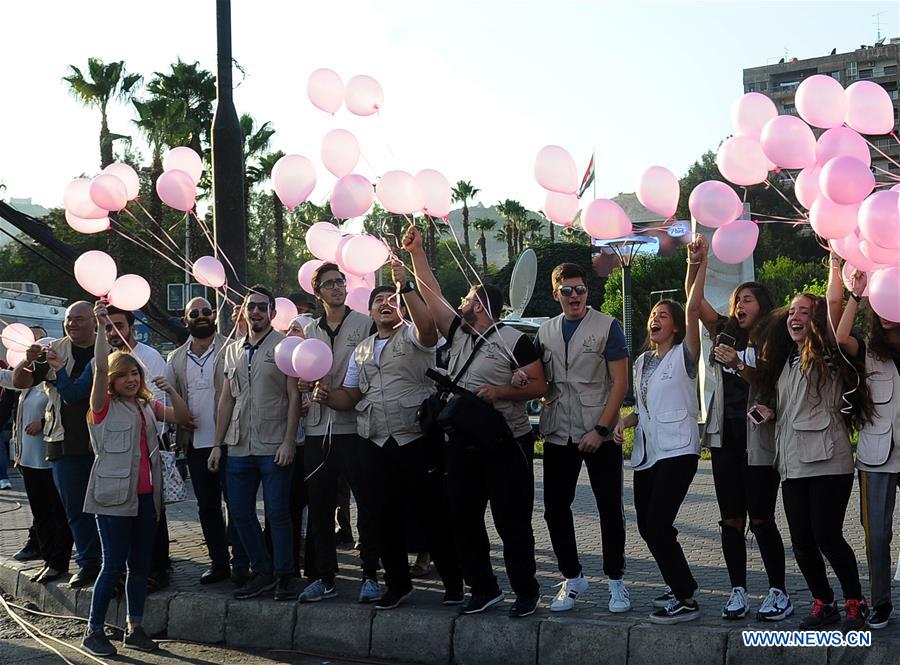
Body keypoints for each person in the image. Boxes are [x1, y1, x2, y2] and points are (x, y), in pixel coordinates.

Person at [404, 225, 547, 618]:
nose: (461, 304)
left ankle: (526, 591)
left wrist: (502, 392)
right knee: (462, 519)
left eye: (466, 299)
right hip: (462, 447)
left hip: (505, 445)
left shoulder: (514, 339)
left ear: (480, 306)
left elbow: (539, 385)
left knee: (512, 523)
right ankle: (483, 588)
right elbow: (432, 296)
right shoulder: (460, 334)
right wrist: (417, 254)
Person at [313, 261, 463, 611]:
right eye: (378, 300)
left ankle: (454, 584)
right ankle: (398, 584)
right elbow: (350, 396)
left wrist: (406, 286)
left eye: (390, 299)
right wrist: (325, 395)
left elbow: (428, 327)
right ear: (369, 312)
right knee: (383, 515)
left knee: (432, 513)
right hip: (376, 442)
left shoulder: (412, 334)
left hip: (415, 439)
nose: (385, 303)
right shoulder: (361, 349)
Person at [751, 288, 872, 632]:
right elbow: (794, 406)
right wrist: (769, 411)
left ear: (817, 320)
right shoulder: (787, 360)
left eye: (804, 312)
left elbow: (838, 328)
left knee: (827, 536)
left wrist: (853, 296)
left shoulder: (828, 353)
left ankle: (855, 602)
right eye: (791, 311)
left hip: (827, 460)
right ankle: (824, 603)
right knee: (802, 541)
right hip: (792, 462)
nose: (794, 317)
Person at [684, 235, 791, 622]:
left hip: (758, 441)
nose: (739, 304)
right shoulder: (726, 330)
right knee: (731, 518)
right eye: (736, 300)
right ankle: (738, 591)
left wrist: (739, 365)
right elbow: (693, 306)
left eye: (747, 299)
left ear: (762, 304)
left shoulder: (775, 337)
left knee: (761, 518)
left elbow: (771, 385)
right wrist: (697, 263)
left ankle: (779, 591)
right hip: (726, 437)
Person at [80, 299, 190, 657]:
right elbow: (98, 369)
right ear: (112, 380)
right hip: (112, 499)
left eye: (135, 375)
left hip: (147, 499)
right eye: (123, 375)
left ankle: (134, 627)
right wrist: (100, 328)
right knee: (112, 565)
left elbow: (184, 418)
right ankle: (93, 631)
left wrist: (170, 389)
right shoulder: (103, 408)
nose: (131, 380)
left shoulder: (146, 405)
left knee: (139, 567)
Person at [535, 263, 630, 613]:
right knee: (554, 509)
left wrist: (602, 430)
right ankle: (572, 577)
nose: (575, 296)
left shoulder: (608, 326)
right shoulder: (544, 331)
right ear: (555, 293)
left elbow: (620, 383)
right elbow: (540, 380)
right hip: (559, 432)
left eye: (580, 289)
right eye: (567, 291)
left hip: (599, 434)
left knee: (609, 509)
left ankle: (616, 581)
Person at [614, 288, 702, 622]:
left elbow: (693, 307)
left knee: (658, 523)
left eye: (663, 315)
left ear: (676, 326)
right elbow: (643, 408)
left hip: (679, 450)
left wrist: (697, 264)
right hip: (648, 454)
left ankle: (686, 599)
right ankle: (681, 583)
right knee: (649, 528)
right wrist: (625, 421)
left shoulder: (685, 354)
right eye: (653, 314)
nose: (655, 319)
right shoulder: (641, 362)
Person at [209, 286, 302, 601]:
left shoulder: (285, 347)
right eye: (251, 307)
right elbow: (226, 399)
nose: (257, 312)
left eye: (263, 307)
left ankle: (285, 574)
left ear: (273, 313)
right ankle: (262, 570)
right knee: (239, 512)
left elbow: (294, 396)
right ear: (244, 311)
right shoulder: (232, 350)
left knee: (277, 512)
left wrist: (289, 441)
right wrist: (216, 444)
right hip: (238, 446)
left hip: (274, 444)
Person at [299, 263, 380, 603]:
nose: (337, 288)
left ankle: (370, 574)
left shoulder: (364, 324)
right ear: (317, 293)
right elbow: (302, 373)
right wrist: (304, 386)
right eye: (329, 284)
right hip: (318, 430)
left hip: (354, 428)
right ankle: (325, 577)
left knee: (366, 502)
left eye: (340, 282)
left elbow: (372, 372)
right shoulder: (310, 331)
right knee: (319, 505)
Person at [13, 302, 102, 588]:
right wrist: (27, 361)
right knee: (74, 510)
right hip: (62, 442)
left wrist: (59, 372)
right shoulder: (54, 349)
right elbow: (21, 381)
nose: (72, 324)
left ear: (93, 321)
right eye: (68, 319)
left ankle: (111, 564)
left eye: (79, 319)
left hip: (103, 442)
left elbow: (78, 394)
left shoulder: (107, 350)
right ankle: (88, 564)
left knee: (108, 508)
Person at [833, 265, 900, 630]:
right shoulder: (869, 349)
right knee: (877, 533)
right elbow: (841, 336)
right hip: (877, 455)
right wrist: (856, 295)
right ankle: (881, 602)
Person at [165, 297, 249, 585]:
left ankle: (241, 561)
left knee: (237, 504)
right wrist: (178, 418)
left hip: (231, 441)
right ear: (185, 319)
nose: (201, 316)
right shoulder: (175, 358)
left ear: (213, 315)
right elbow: (170, 398)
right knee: (207, 507)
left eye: (205, 312)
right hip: (195, 444)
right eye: (194, 313)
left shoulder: (232, 347)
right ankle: (218, 563)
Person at [102, 306, 172, 592]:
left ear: (132, 327)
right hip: (119, 450)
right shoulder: (108, 360)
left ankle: (158, 568)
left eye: (118, 325)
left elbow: (158, 399)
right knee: (128, 511)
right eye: (107, 327)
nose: (113, 331)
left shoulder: (149, 356)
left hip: (151, 442)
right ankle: (128, 572)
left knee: (154, 510)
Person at [0, 326, 73, 583]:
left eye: (45, 353)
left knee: (56, 511)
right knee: (41, 513)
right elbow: (8, 377)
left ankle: (58, 560)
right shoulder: (28, 381)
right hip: (28, 460)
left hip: (49, 458)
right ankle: (47, 557)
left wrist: (43, 421)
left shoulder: (55, 380)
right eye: (37, 354)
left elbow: (66, 406)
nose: (41, 358)